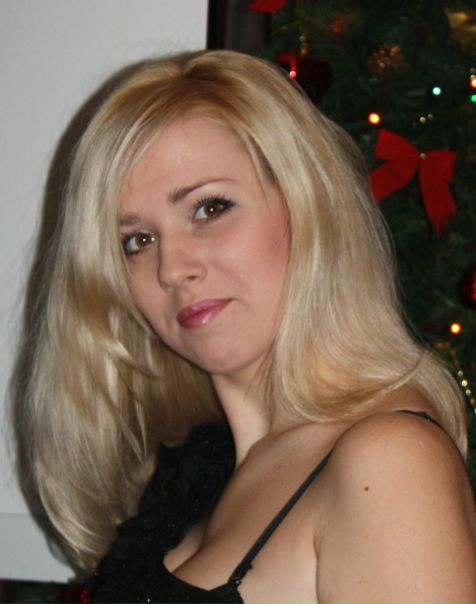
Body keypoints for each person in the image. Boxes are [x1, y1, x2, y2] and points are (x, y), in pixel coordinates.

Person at [21, 50, 475, 603]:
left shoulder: (389, 462)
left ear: (309, 204)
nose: (172, 268)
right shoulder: (196, 473)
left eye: (209, 209)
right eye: (137, 240)